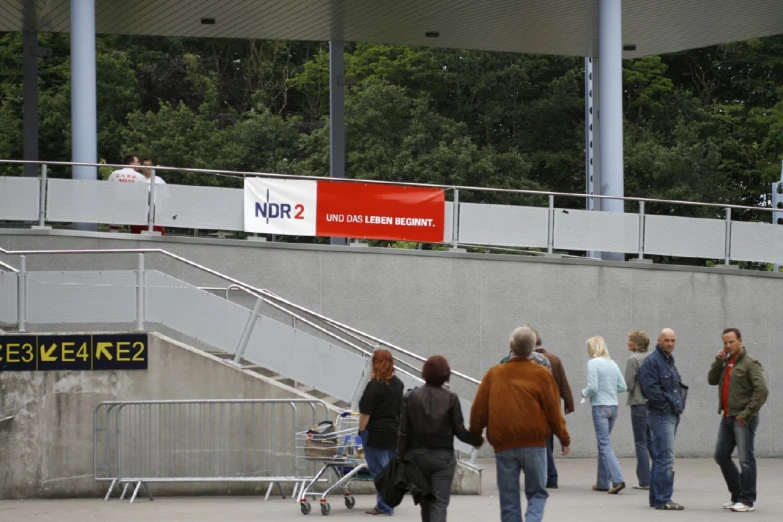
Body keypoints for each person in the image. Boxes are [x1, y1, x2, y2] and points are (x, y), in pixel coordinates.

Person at [469, 326, 571, 522]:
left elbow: (479, 409)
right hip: (535, 444)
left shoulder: (494, 373)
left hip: (504, 445)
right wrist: (563, 437)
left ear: (511, 346)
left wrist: (475, 436)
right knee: (537, 494)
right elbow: (553, 411)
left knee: (509, 499)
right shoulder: (542, 375)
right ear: (533, 347)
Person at [396, 355, 484, 522]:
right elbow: (459, 431)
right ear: (445, 374)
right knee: (439, 504)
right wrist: (477, 440)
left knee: (425, 503)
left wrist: (400, 458)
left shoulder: (410, 397)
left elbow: (403, 432)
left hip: (417, 458)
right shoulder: (451, 398)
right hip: (443, 459)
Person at [708, 328, 768, 513]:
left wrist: (747, 413)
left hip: (743, 418)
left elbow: (762, 390)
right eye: (725, 342)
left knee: (746, 460)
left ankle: (747, 500)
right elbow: (711, 380)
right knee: (720, 455)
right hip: (727, 416)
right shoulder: (726, 361)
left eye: (731, 342)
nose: (727, 345)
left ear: (740, 341)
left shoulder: (750, 363)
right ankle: (737, 496)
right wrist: (718, 361)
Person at [639, 328, 687, 511]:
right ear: (659, 340)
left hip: (670, 413)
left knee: (661, 456)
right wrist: (666, 407)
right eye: (666, 340)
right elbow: (650, 389)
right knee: (666, 457)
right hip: (661, 414)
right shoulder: (653, 361)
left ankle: (657, 498)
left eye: (673, 340)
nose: (670, 344)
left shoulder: (668, 360)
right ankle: (663, 499)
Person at [359, 349, 405, 516]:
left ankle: (385, 506)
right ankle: (387, 503)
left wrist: (361, 431)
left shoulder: (373, 386)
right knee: (389, 470)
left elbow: (365, 413)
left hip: (376, 433)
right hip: (394, 432)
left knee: (379, 471)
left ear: (375, 363)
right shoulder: (398, 384)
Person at [581, 336, 627, 494]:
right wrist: (610, 390)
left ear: (593, 348)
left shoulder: (592, 363)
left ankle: (618, 479)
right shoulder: (612, 363)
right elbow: (622, 386)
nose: (587, 350)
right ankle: (602, 482)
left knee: (604, 444)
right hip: (613, 407)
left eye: (588, 347)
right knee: (603, 443)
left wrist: (584, 393)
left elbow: (592, 387)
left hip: (600, 406)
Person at [532, 328, 574, 489]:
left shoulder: (531, 359)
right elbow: (564, 384)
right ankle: (550, 477)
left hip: (538, 408)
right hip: (553, 404)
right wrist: (568, 405)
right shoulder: (554, 359)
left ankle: (550, 476)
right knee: (548, 441)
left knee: (542, 443)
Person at [624, 330, 653, 490]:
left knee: (640, 442)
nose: (627, 343)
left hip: (638, 403)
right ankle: (662, 473)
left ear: (635, 343)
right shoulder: (651, 357)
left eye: (629, 341)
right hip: (652, 403)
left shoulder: (633, 359)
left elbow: (627, 385)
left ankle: (644, 480)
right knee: (651, 440)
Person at [129, 158, 167, 235]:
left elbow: (166, 197)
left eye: (150, 165)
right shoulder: (137, 179)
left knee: (158, 237)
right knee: (137, 236)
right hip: (139, 214)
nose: (148, 167)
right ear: (142, 167)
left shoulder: (159, 180)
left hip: (156, 215)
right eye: (145, 165)